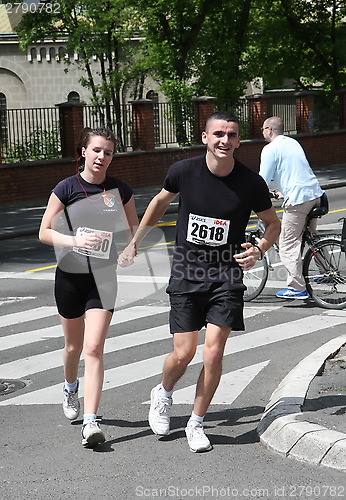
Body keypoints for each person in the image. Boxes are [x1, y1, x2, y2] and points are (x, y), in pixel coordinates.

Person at [118, 110, 280, 453]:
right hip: (188, 273)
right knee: (183, 352)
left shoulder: (251, 183)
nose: (225, 140)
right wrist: (135, 242)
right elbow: (160, 203)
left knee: (213, 352)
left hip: (226, 276)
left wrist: (259, 249)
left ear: (238, 140)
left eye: (232, 135)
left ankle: (196, 421)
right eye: (218, 134)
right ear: (205, 137)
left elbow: (272, 223)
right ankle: (163, 393)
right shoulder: (183, 171)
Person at [39, 127, 138, 447]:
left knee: (94, 348)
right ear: (84, 152)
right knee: (73, 347)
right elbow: (44, 231)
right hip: (69, 277)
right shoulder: (66, 188)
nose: (102, 157)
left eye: (108, 152)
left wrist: (129, 249)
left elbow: (133, 229)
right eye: (96, 150)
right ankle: (70, 387)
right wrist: (74, 240)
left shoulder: (120, 190)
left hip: (103, 278)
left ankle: (91, 421)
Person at [259, 116, 324, 300]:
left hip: (298, 199)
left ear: (269, 130)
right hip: (315, 194)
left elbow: (262, 180)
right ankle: (327, 271)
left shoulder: (270, 149)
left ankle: (297, 287)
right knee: (312, 235)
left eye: (263, 129)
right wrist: (283, 192)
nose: (262, 133)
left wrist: (252, 195)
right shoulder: (293, 142)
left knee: (287, 243)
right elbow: (294, 171)